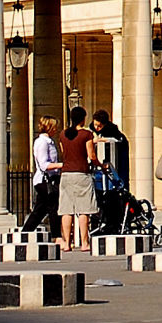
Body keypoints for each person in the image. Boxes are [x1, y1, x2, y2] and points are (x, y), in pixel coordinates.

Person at [57, 106, 99, 251]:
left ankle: (67, 243)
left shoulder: (63, 134)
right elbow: (91, 155)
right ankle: (84, 242)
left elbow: (64, 153)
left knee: (66, 209)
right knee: (83, 209)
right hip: (81, 173)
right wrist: (100, 164)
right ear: (83, 118)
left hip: (66, 173)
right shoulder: (86, 134)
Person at [22, 115, 63, 241]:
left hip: (50, 179)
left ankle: (26, 233)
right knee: (53, 207)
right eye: (54, 127)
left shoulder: (49, 142)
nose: (56, 129)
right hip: (45, 181)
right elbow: (44, 164)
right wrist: (62, 165)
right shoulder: (42, 143)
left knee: (40, 210)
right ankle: (56, 236)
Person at [91, 109, 130, 187]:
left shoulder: (112, 130)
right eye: (95, 125)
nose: (96, 128)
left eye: (99, 126)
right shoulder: (92, 128)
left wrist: (101, 140)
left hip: (116, 159)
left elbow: (118, 140)